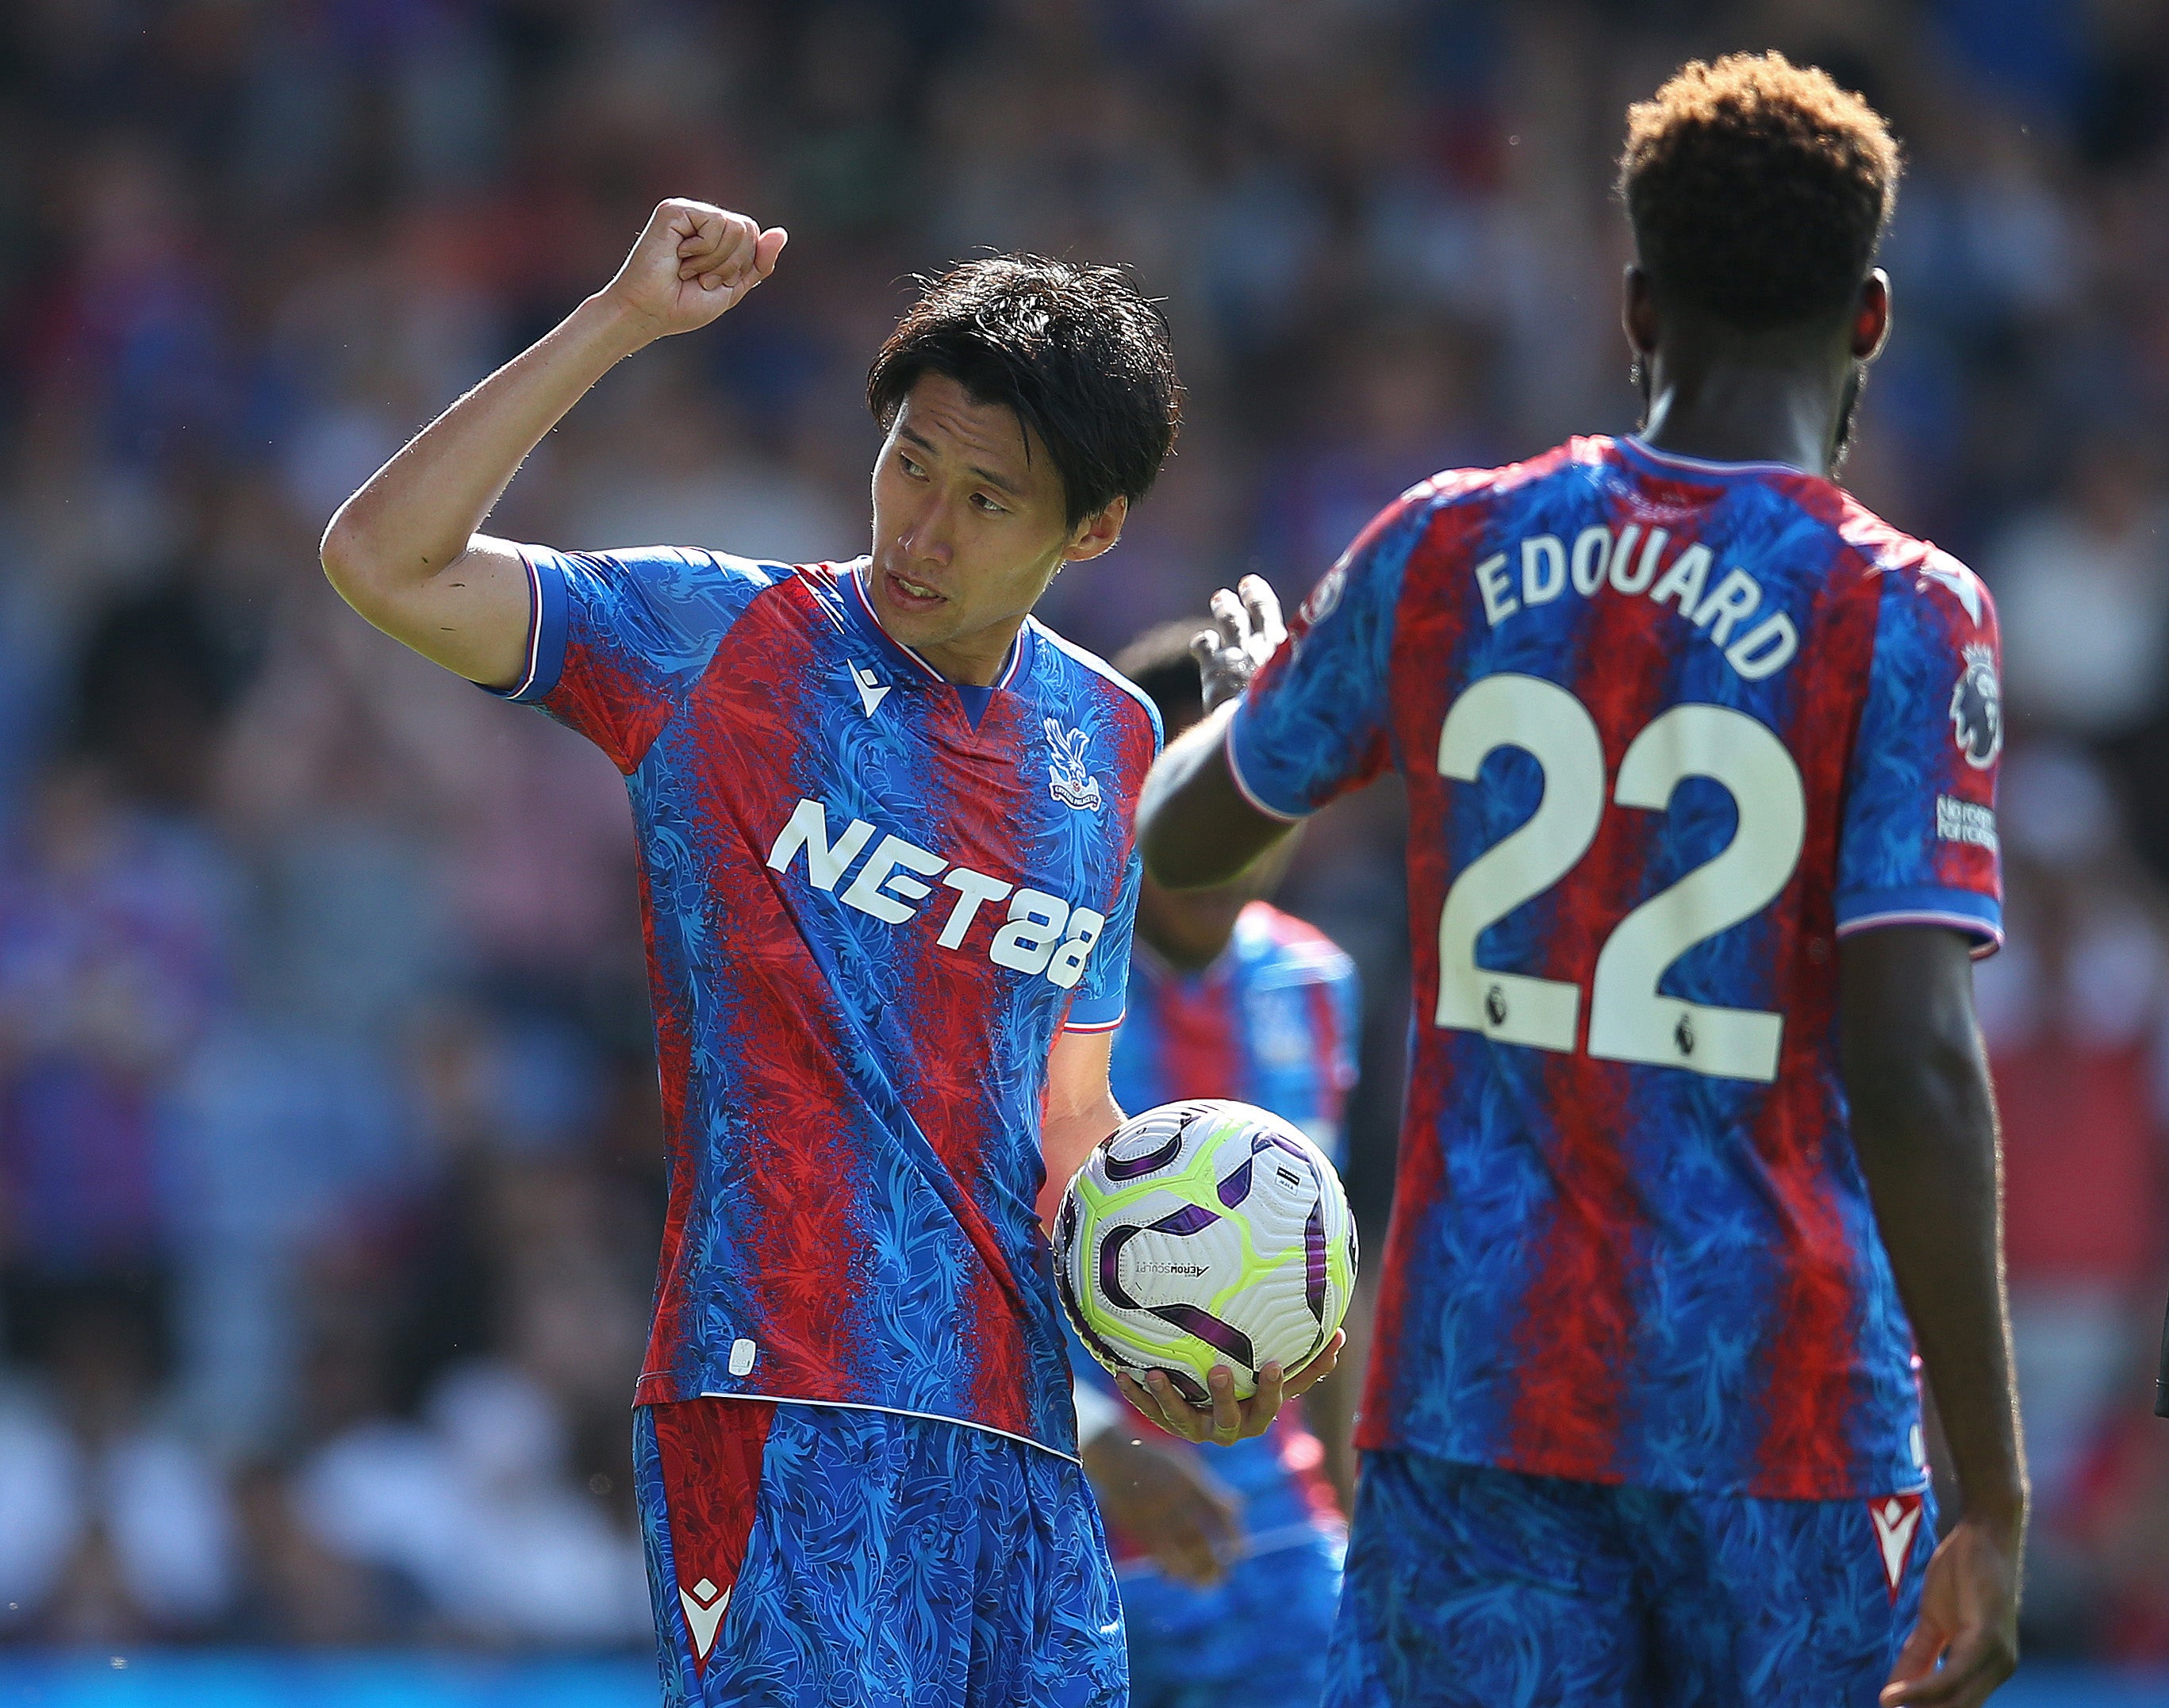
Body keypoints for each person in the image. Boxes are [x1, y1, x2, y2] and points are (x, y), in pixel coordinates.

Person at [319, 202, 1336, 1704]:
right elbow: (382, 563)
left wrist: (1184, 1330)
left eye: (986, 498)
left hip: (1020, 1441)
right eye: (907, 461)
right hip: (774, 1405)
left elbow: (1066, 1117)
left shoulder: (1110, 740)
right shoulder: (719, 644)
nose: (920, 527)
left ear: (1094, 528)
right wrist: (617, 322)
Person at [1131, 53, 2026, 1708]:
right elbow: (1906, 1057)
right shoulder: (1902, 612)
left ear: (1633, 305)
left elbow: (1182, 842)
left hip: (1479, 1388)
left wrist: (1263, 695)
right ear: (1870, 319)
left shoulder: (1444, 546)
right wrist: (1992, 1482)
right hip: (1785, 1412)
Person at [1074, 620, 1361, 1708]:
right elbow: (953, 1262)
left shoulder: (1318, 981)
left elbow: (1337, 1258)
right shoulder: (1041, 976)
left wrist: (1342, 1488)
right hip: (1072, 1536)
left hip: (1280, 1543)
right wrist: (1099, 1440)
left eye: (1258, 798)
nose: (1227, 836)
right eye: (1195, 793)